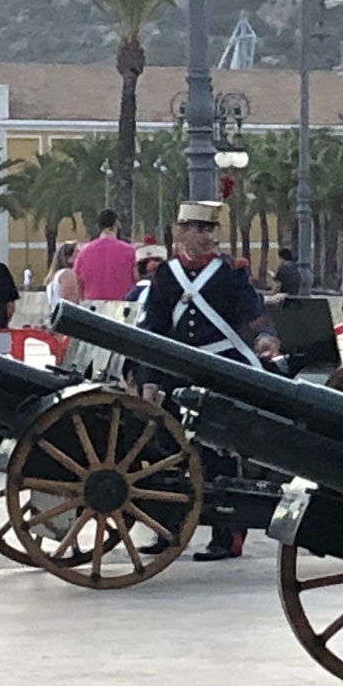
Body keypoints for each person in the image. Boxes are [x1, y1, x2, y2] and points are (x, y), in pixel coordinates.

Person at [141, 201, 271, 560]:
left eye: (209, 230)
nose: (205, 237)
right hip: (177, 373)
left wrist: (265, 337)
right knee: (165, 456)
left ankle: (226, 538)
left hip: (220, 368)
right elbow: (153, 328)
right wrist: (150, 379)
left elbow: (253, 310)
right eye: (197, 229)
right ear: (180, 231)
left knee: (218, 455)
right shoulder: (166, 275)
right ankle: (168, 531)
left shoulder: (230, 272)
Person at [73, 210, 137, 301]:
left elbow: (78, 284)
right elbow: (137, 279)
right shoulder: (129, 251)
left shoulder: (84, 253)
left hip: (92, 308)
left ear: (99, 227)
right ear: (116, 225)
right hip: (122, 308)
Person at [44, 242, 82, 309]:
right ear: (69, 258)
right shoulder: (67, 274)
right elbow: (69, 301)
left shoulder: (54, 276)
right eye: (77, 253)